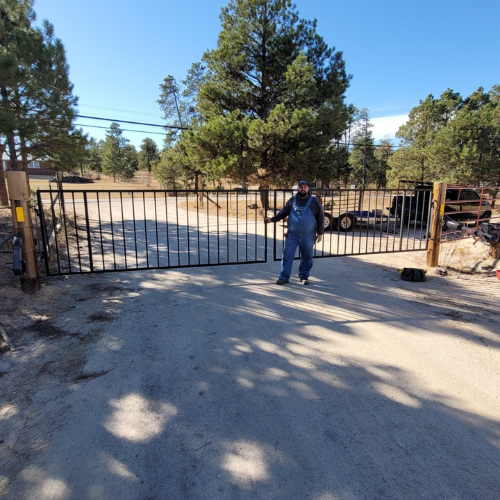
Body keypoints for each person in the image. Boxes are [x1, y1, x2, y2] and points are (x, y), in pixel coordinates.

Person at [265, 180, 324, 285]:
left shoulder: (314, 201)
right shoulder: (292, 200)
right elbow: (283, 213)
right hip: (292, 235)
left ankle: (304, 276)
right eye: (301, 186)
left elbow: (320, 217)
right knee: (287, 255)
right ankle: (284, 277)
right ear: (298, 188)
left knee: (307, 257)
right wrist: (272, 219)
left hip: (308, 236)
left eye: (305, 187)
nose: (303, 188)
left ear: (308, 188)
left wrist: (320, 233)